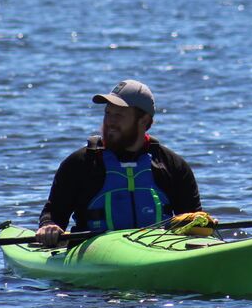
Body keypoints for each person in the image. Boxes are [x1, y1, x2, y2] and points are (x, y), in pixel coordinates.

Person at [35, 79, 203, 247]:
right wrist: (49, 227)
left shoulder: (172, 165)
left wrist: (202, 225)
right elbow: (53, 214)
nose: (110, 122)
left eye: (118, 115)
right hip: (94, 256)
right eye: (108, 113)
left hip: (160, 250)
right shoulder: (80, 164)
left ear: (144, 121)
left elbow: (192, 220)